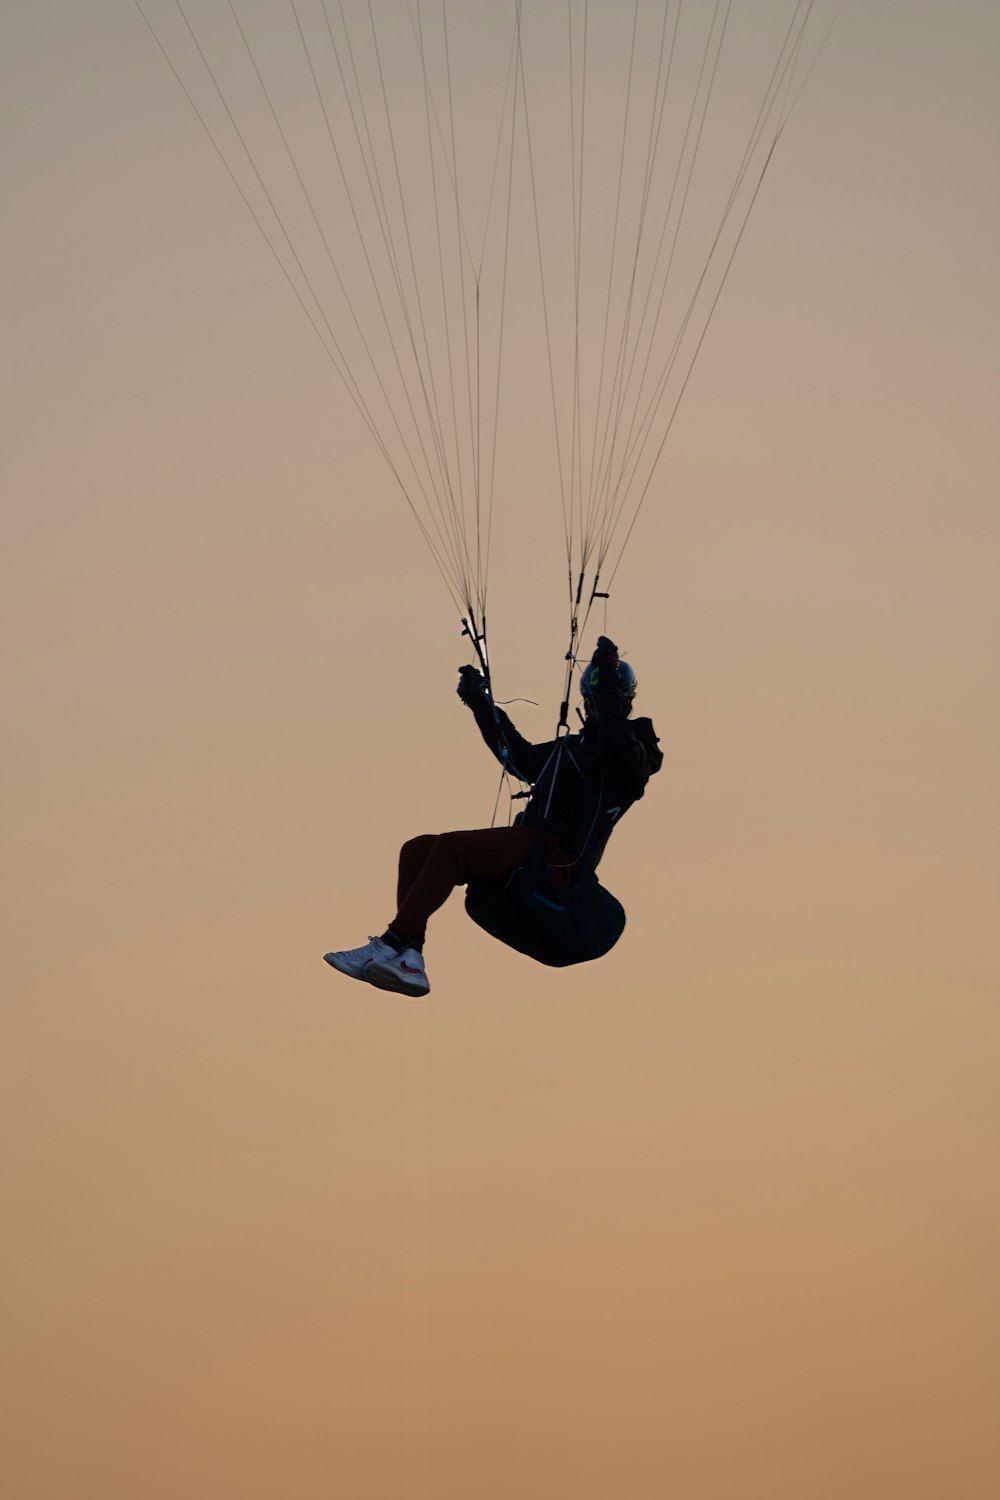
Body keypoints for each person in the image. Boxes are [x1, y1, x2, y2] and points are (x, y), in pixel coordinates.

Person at [323, 637, 662, 996]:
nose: (595, 709)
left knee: (453, 849)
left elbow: (617, 750)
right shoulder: (571, 748)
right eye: (591, 702)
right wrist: (480, 703)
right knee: (418, 849)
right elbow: (518, 757)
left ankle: (391, 942)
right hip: (531, 846)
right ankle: (410, 956)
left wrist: (607, 680)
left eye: (603, 702)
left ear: (622, 701)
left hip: (558, 859)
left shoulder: (637, 757)